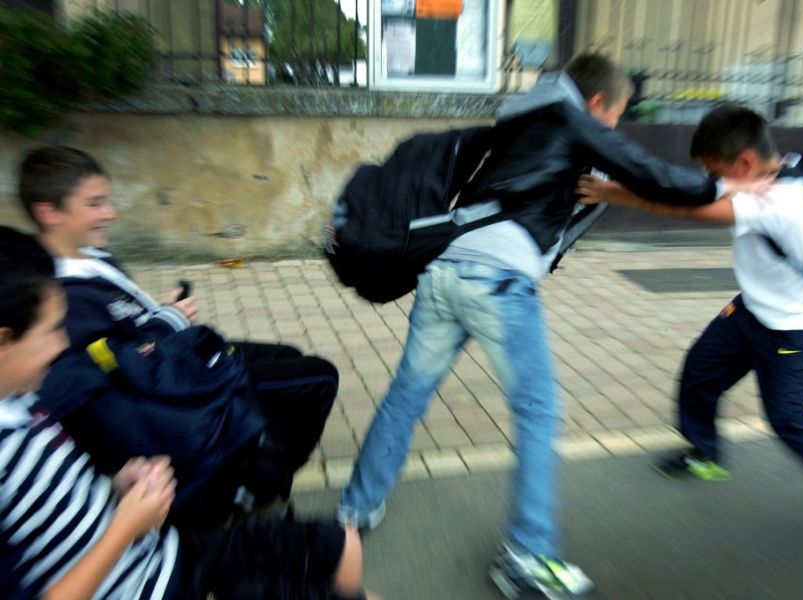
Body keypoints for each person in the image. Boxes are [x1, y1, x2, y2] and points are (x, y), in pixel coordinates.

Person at [337, 52, 754, 599]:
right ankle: (528, 557)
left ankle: (355, 508)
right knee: (539, 412)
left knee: (408, 393)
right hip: (498, 281)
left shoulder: (520, 117)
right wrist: (724, 190)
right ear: (598, 102)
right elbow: (655, 176)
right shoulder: (570, 118)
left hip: (446, 268)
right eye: (616, 116)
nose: (613, 128)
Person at [576, 104, 803, 561]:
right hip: (753, 309)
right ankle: (705, 453)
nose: (707, 175)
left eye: (713, 168)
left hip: (797, 325)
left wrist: (612, 192)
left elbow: (682, 206)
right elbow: (696, 186)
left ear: (744, 163)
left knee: (789, 420)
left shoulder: (775, 201)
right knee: (701, 370)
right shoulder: (784, 166)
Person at [0, 225, 377, 600]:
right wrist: (126, 526)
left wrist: (116, 487)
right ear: (3, 339)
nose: (62, 343)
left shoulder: (20, 398)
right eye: (50, 331)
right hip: (150, 584)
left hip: (165, 553)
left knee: (341, 544)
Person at [17, 145, 339, 526]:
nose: (110, 213)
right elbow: (116, 366)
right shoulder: (59, 296)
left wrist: (160, 314)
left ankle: (256, 474)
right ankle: (254, 489)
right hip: (169, 387)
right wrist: (165, 321)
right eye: (94, 204)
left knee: (288, 356)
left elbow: (126, 329)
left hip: (177, 355)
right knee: (319, 378)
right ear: (48, 212)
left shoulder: (91, 256)